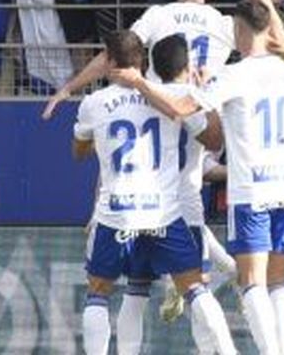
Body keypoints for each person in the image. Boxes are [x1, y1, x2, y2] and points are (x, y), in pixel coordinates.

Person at [110, 0, 284, 355]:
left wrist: (142, 84)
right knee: (278, 282)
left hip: (248, 190)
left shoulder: (234, 74)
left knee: (250, 282)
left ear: (241, 30)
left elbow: (182, 107)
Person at [76, 30, 242, 355]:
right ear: (142, 60)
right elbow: (214, 140)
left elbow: (78, 151)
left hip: (117, 213)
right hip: (164, 211)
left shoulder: (94, 103)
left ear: (109, 60)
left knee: (100, 292)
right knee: (194, 287)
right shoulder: (172, 96)